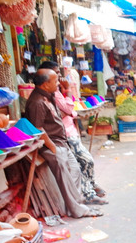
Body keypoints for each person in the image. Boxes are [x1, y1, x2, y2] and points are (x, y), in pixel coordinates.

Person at [25, 69, 102, 218]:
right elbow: (38, 129)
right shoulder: (37, 102)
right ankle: (77, 211)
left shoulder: (49, 96)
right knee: (65, 179)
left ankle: (78, 204)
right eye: (55, 81)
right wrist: (53, 148)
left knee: (75, 171)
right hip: (52, 146)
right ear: (45, 84)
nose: (58, 83)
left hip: (61, 142)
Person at [56, 79, 108, 205]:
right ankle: (88, 193)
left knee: (85, 161)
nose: (59, 77)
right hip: (66, 134)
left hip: (70, 131)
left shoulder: (58, 92)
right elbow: (69, 110)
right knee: (84, 161)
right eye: (56, 74)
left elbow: (70, 111)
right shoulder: (55, 94)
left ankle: (91, 187)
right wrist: (67, 91)